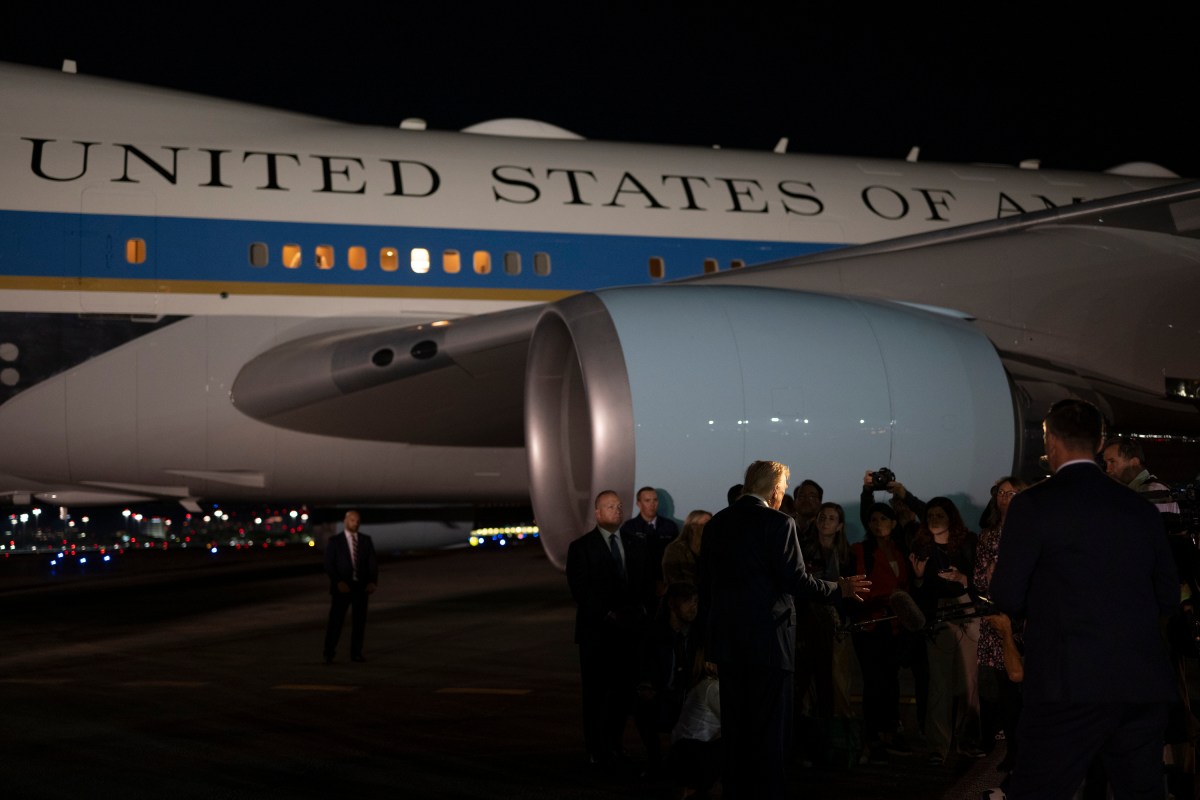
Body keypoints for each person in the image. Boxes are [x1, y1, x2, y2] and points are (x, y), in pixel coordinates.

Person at [991, 399, 1179, 799]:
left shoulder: (1034, 504)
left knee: (1038, 789)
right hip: (1139, 680)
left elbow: (1006, 592)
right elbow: (1167, 594)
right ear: (1098, 443)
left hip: (1067, 680)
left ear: (1051, 441)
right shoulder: (1138, 507)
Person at [700, 460, 870, 799]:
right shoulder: (779, 523)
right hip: (769, 642)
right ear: (776, 490)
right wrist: (839, 588)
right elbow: (795, 581)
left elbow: (706, 587)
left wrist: (709, 644)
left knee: (736, 727)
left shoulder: (717, 523)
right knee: (769, 731)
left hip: (729, 644)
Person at [567, 490, 652, 769]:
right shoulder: (581, 547)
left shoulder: (633, 543)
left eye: (618, 506)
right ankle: (595, 748)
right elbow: (581, 590)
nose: (616, 510)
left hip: (629, 633)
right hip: (598, 634)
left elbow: (641, 585)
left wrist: (638, 614)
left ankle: (614, 745)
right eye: (610, 506)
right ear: (597, 513)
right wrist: (608, 614)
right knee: (595, 695)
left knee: (622, 694)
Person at [909, 496, 981, 764]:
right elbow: (915, 589)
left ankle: (968, 741)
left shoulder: (967, 542)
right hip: (937, 613)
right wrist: (917, 577)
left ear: (951, 517)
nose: (935, 520)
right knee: (939, 683)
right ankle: (939, 746)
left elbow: (981, 579)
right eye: (930, 516)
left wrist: (963, 579)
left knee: (968, 680)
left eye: (940, 515)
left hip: (966, 610)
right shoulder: (922, 547)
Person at [795, 502, 860, 766]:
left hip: (835, 625)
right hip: (807, 623)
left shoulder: (845, 555)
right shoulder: (803, 549)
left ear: (840, 525)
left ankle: (837, 750)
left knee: (834, 687)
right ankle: (805, 748)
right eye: (822, 516)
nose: (825, 521)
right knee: (805, 688)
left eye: (832, 518)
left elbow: (853, 592)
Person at [851, 501, 914, 763]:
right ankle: (874, 735)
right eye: (874, 520)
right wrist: (886, 597)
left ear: (894, 522)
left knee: (891, 678)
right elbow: (858, 586)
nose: (878, 524)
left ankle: (889, 731)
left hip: (896, 624)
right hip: (872, 622)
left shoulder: (902, 550)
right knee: (874, 681)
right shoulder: (861, 550)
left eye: (884, 519)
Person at [973, 475, 1027, 773]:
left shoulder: (1033, 532)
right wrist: (991, 581)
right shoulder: (988, 537)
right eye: (1001, 492)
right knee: (1005, 691)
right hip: (997, 617)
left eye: (1013, 492)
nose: (1006, 496)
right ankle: (1014, 751)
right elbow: (980, 579)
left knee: (1027, 687)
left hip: (1028, 620)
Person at [636, 581, 700, 777]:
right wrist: (647, 686)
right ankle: (655, 762)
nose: (693, 607)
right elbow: (646, 668)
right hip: (666, 694)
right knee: (641, 704)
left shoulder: (697, 635)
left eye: (696, 601)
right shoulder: (656, 634)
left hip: (692, 696)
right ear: (672, 604)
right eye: (687, 601)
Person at [322, 510, 378, 664]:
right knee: (336, 621)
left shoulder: (366, 540)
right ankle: (329, 652)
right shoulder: (335, 541)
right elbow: (329, 564)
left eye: (358, 520)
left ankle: (356, 653)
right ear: (346, 521)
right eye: (353, 520)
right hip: (342, 588)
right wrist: (338, 581)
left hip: (360, 588)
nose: (356, 523)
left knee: (359, 623)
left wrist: (372, 581)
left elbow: (372, 563)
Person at [622, 486, 680, 596]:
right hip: (636, 586)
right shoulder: (629, 528)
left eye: (655, 500)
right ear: (638, 504)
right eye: (647, 500)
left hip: (663, 584)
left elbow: (674, 556)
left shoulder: (670, 527)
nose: (652, 504)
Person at [662, 510, 711, 589]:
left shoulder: (712, 549)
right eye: (706, 523)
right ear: (692, 526)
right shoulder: (675, 549)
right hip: (683, 597)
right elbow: (672, 578)